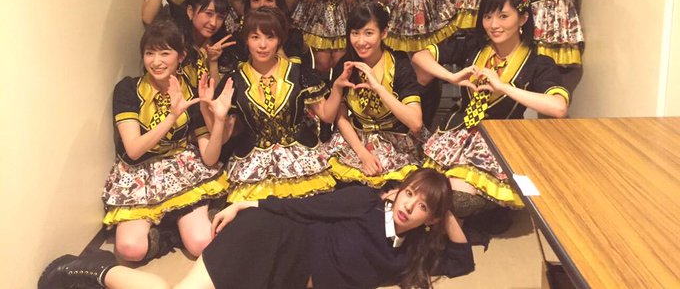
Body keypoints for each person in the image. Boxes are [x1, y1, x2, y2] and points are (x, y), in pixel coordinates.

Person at [39, 169, 475, 289]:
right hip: (272, 238)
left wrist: (445, 207)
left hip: (289, 279)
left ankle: (95, 271)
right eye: (410, 194)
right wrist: (250, 204)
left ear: (430, 220)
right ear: (398, 190)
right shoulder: (364, 200)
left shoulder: (411, 253)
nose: (409, 206)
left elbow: (462, 260)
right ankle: (91, 270)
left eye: (423, 207)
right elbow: (308, 207)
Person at [411, 0, 569, 217]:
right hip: (457, 132)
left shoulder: (537, 62)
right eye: (488, 17)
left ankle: (480, 213)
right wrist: (452, 76)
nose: (494, 25)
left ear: (523, 18)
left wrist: (504, 87)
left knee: (457, 200)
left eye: (503, 16)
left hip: (499, 140)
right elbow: (419, 56)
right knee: (426, 190)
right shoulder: (473, 45)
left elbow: (558, 107)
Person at [102, 20, 230, 261]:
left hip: (180, 168)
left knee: (202, 244)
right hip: (139, 174)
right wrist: (172, 116)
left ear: (181, 57)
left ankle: (181, 222)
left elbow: (210, 158)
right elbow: (134, 150)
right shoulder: (128, 89)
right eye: (149, 53)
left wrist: (217, 118)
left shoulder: (190, 91)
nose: (156, 61)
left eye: (165, 53)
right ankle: (168, 233)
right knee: (130, 250)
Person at [218, 7, 336, 202]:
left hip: (301, 158)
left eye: (270, 37)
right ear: (246, 40)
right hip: (253, 163)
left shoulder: (299, 73)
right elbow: (224, 133)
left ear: (280, 40)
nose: (263, 45)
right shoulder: (235, 80)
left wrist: (338, 88)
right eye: (255, 37)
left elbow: (326, 115)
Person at [324, 2, 425, 187]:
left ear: (383, 33)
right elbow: (340, 117)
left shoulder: (399, 64)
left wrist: (378, 87)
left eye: (369, 33)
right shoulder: (346, 65)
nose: (361, 41)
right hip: (356, 141)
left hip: (398, 141)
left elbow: (416, 123)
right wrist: (363, 154)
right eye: (355, 33)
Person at [179, 0, 238, 88]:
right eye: (208, 13)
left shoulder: (223, 46)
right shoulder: (176, 43)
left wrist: (213, 61)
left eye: (220, 17)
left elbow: (219, 93)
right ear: (190, 12)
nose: (213, 23)